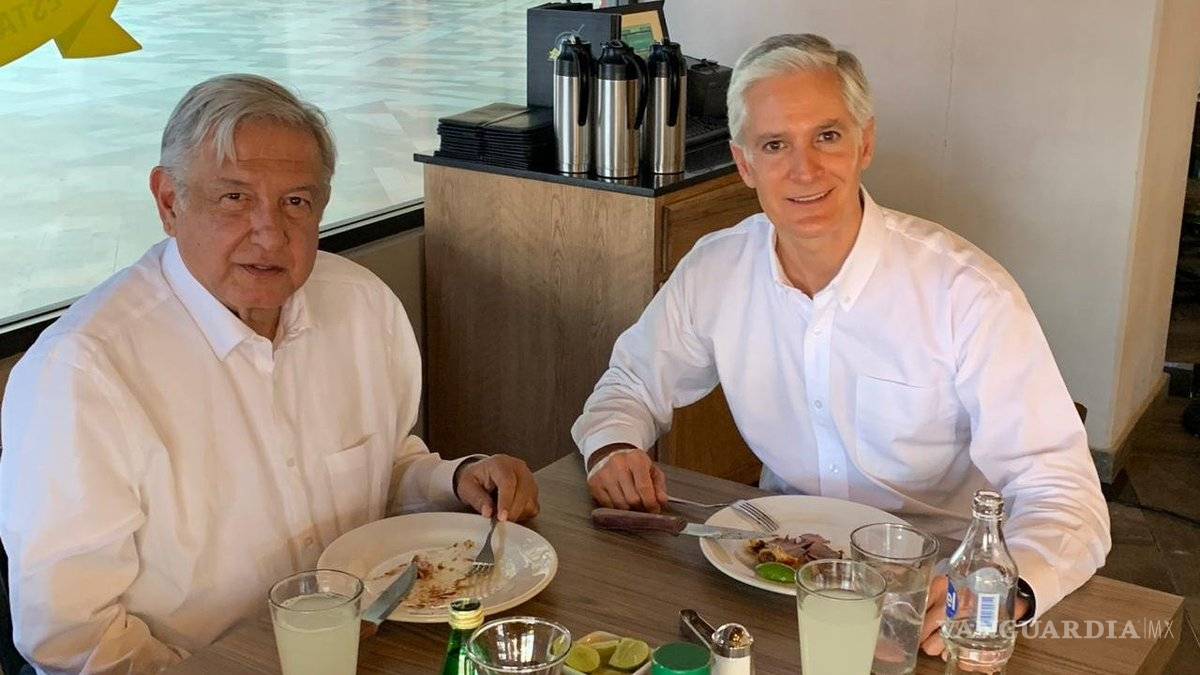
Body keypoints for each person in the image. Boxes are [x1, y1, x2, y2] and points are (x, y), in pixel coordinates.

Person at [572, 34, 1110, 656]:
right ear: (744, 164)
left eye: (826, 136)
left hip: (929, 594)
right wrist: (612, 446)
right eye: (775, 145)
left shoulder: (966, 292)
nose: (804, 170)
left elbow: (1062, 489)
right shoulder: (716, 269)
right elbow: (632, 382)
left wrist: (1001, 590)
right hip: (771, 573)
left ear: (865, 144)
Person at [0, 74, 539, 674]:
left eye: (296, 202)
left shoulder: (363, 306)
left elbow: (382, 470)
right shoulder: (81, 373)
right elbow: (72, 639)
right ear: (169, 202)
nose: (270, 233)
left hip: (367, 647)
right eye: (234, 198)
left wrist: (454, 479)